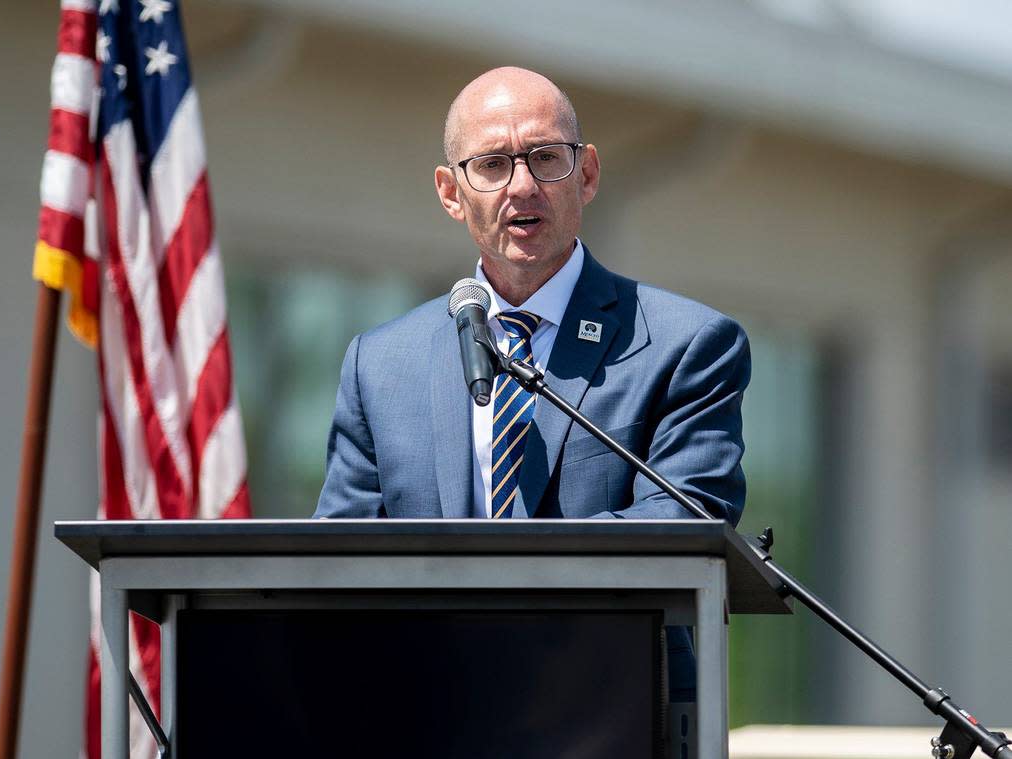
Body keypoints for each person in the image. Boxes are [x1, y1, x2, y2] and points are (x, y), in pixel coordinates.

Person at [314, 67, 750, 702]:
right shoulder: (379, 365)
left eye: (546, 158)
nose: (522, 186)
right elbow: (335, 563)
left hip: (615, 711)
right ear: (450, 192)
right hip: (425, 711)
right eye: (491, 164)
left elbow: (686, 521)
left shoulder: (687, 344)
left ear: (589, 173)